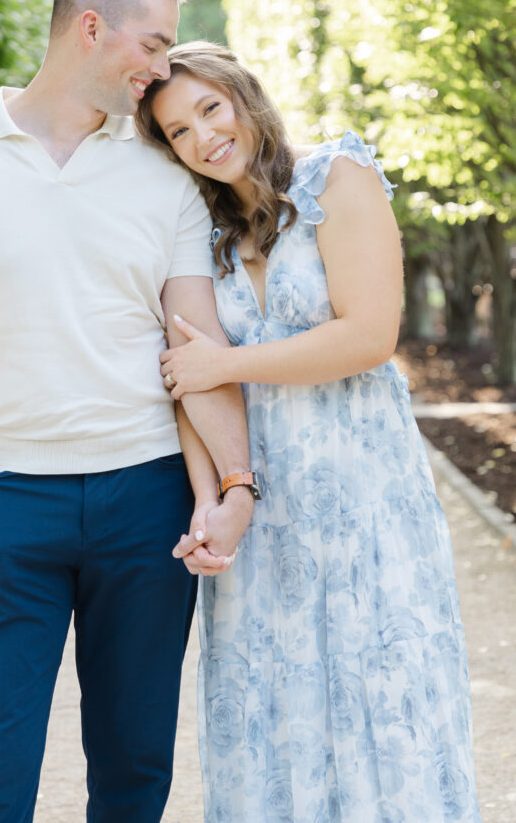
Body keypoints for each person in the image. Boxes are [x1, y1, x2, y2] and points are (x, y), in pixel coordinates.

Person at [0, 0, 254, 823]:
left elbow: (195, 346)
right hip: (6, 500)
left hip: (146, 502)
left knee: (134, 770)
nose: (162, 70)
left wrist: (234, 486)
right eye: (154, 44)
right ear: (92, 27)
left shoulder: (162, 175)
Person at [136, 41, 482, 823]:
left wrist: (227, 361)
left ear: (242, 96)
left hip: (365, 496)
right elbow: (191, 382)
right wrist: (213, 498)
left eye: (209, 110)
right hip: (263, 516)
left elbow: (368, 336)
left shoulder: (337, 176)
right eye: (178, 132)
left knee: (384, 702)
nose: (202, 138)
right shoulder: (198, 237)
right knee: (274, 713)